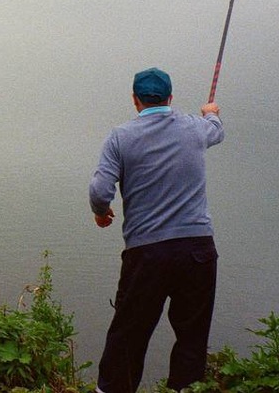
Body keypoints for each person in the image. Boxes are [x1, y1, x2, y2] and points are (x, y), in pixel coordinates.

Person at [88, 67, 224, 393]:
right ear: (170, 98)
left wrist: (102, 211)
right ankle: (186, 389)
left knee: (129, 333)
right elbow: (216, 131)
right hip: (198, 250)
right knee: (192, 336)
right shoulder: (195, 128)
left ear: (135, 100)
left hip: (147, 253)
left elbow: (99, 190)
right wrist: (212, 113)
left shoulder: (120, 137)